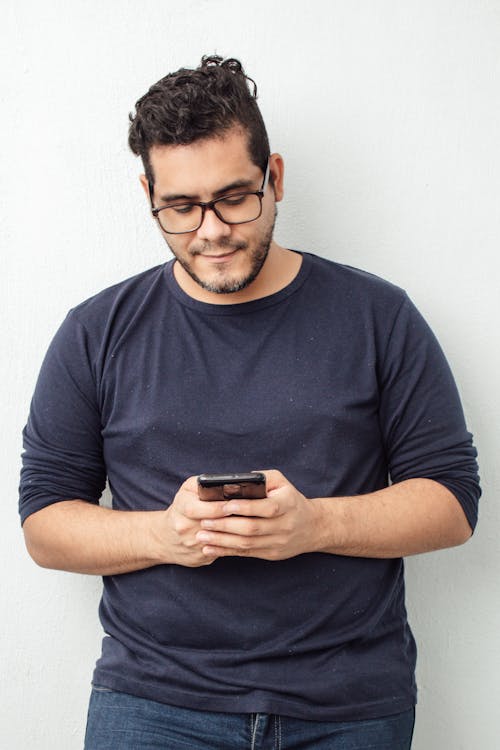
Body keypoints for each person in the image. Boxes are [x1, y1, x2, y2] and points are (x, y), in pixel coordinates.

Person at [19, 55, 480, 750]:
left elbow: (453, 502)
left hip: (347, 706)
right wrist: (164, 536)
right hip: (153, 704)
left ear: (276, 178)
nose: (211, 230)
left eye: (235, 197)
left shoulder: (379, 317)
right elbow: (44, 524)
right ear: (149, 194)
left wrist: (314, 525)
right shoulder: (96, 332)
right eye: (180, 207)